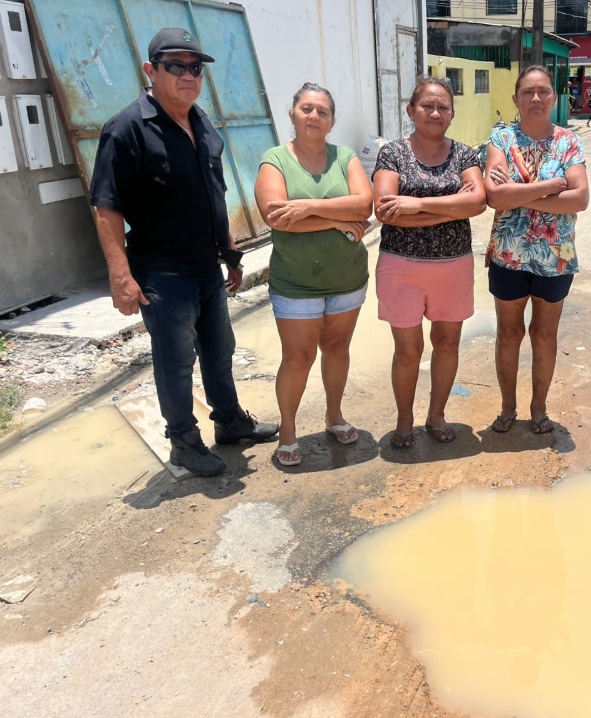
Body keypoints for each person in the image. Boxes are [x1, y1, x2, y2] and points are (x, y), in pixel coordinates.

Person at [89, 27, 278, 477]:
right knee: (176, 360)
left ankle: (229, 422)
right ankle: (183, 442)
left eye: (195, 68)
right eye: (176, 66)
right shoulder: (127, 128)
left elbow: (214, 191)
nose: (188, 75)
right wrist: (121, 276)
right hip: (162, 272)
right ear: (150, 70)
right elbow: (107, 206)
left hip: (206, 265)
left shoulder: (201, 121)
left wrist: (229, 251)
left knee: (219, 348)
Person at [253, 84, 373, 466]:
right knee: (298, 358)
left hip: (347, 278)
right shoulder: (275, 160)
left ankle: (334, 415)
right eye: (306, 108)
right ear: (292, 114)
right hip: (296, 282)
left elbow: (364, 204)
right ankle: (287, 431)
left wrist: (305, 208)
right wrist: (337, 220)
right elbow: (277, 218)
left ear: (332, 121)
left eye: (323, 111)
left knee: (337, 349)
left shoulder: (345, 157)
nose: (314, 116)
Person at [371, 78, 486, 449]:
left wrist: (417, 204)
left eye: (443, 107)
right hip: (400, 266)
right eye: (427, 106)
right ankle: (404, 419)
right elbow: (385, 210)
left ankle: (436, 415)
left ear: (452, 114)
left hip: (453, 266)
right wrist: (452, 207)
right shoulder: (392, 154)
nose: (435, 113)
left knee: (447, 343)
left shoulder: (465, 155)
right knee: (408, 351)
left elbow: (477, 202)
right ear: (411, 110)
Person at [484, 65, 590, 435]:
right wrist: (550, 186)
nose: (535, 98)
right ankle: (508, 407)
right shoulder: (500, 139)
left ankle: (539, 409)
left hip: (555, 258)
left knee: (544, 335)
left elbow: (579, 199)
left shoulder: (569, 142)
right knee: (508, 333)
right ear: (515, 99)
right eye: (527, 92)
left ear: (554, 98)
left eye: (543, 91)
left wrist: (517, 195)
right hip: (508, 255)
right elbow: (494, 196)